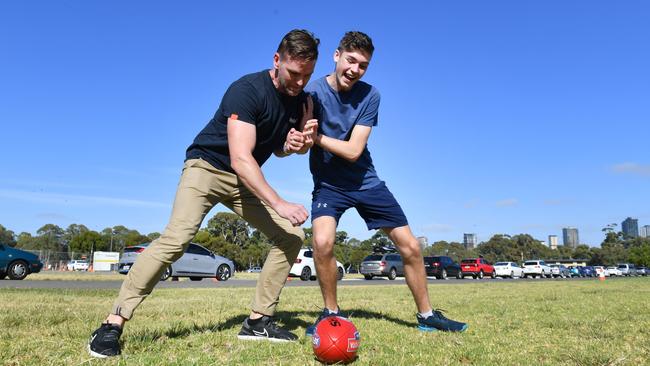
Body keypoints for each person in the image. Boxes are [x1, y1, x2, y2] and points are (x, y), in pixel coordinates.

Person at [88, 29, 320, 358]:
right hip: (206, 168)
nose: (299, 82)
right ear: (276, 60)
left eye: (306, 76)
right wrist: (279, 202)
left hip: (243, 180)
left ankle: (257, 322)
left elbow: (277, 147)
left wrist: (292, 145)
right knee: (177, 238)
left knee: (291, 236)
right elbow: (241, 157)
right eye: (294, 74)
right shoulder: (247, 90)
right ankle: (113, 323)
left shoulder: (301, 101)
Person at [303, 31, 468, 335]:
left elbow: (354, 151)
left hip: (366, 182)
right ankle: (330, 314)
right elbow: (301, 142)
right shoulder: (311, 93)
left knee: (411, 247)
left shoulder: (370, 95)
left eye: (363, 65)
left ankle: (427, 316)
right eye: (351, 60)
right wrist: (302, 140)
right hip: (328, 185)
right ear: (336, 56)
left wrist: (318, 139)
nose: (355, 69)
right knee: (322, 243)